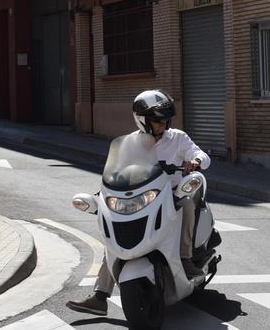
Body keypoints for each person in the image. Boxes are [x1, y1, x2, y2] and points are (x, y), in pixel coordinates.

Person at [67, 89, 210, 317]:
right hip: (142, 196)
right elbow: (118, 170)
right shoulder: (130, 143)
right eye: (157, 120)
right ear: (142, 120)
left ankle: (185, 257)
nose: (162, 124)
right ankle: (100, 296)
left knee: (187, 206)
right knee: (114, 241)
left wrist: (196, 161)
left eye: (165, 119)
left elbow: (202, 154)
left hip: (173, 192)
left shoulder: (178, 138)